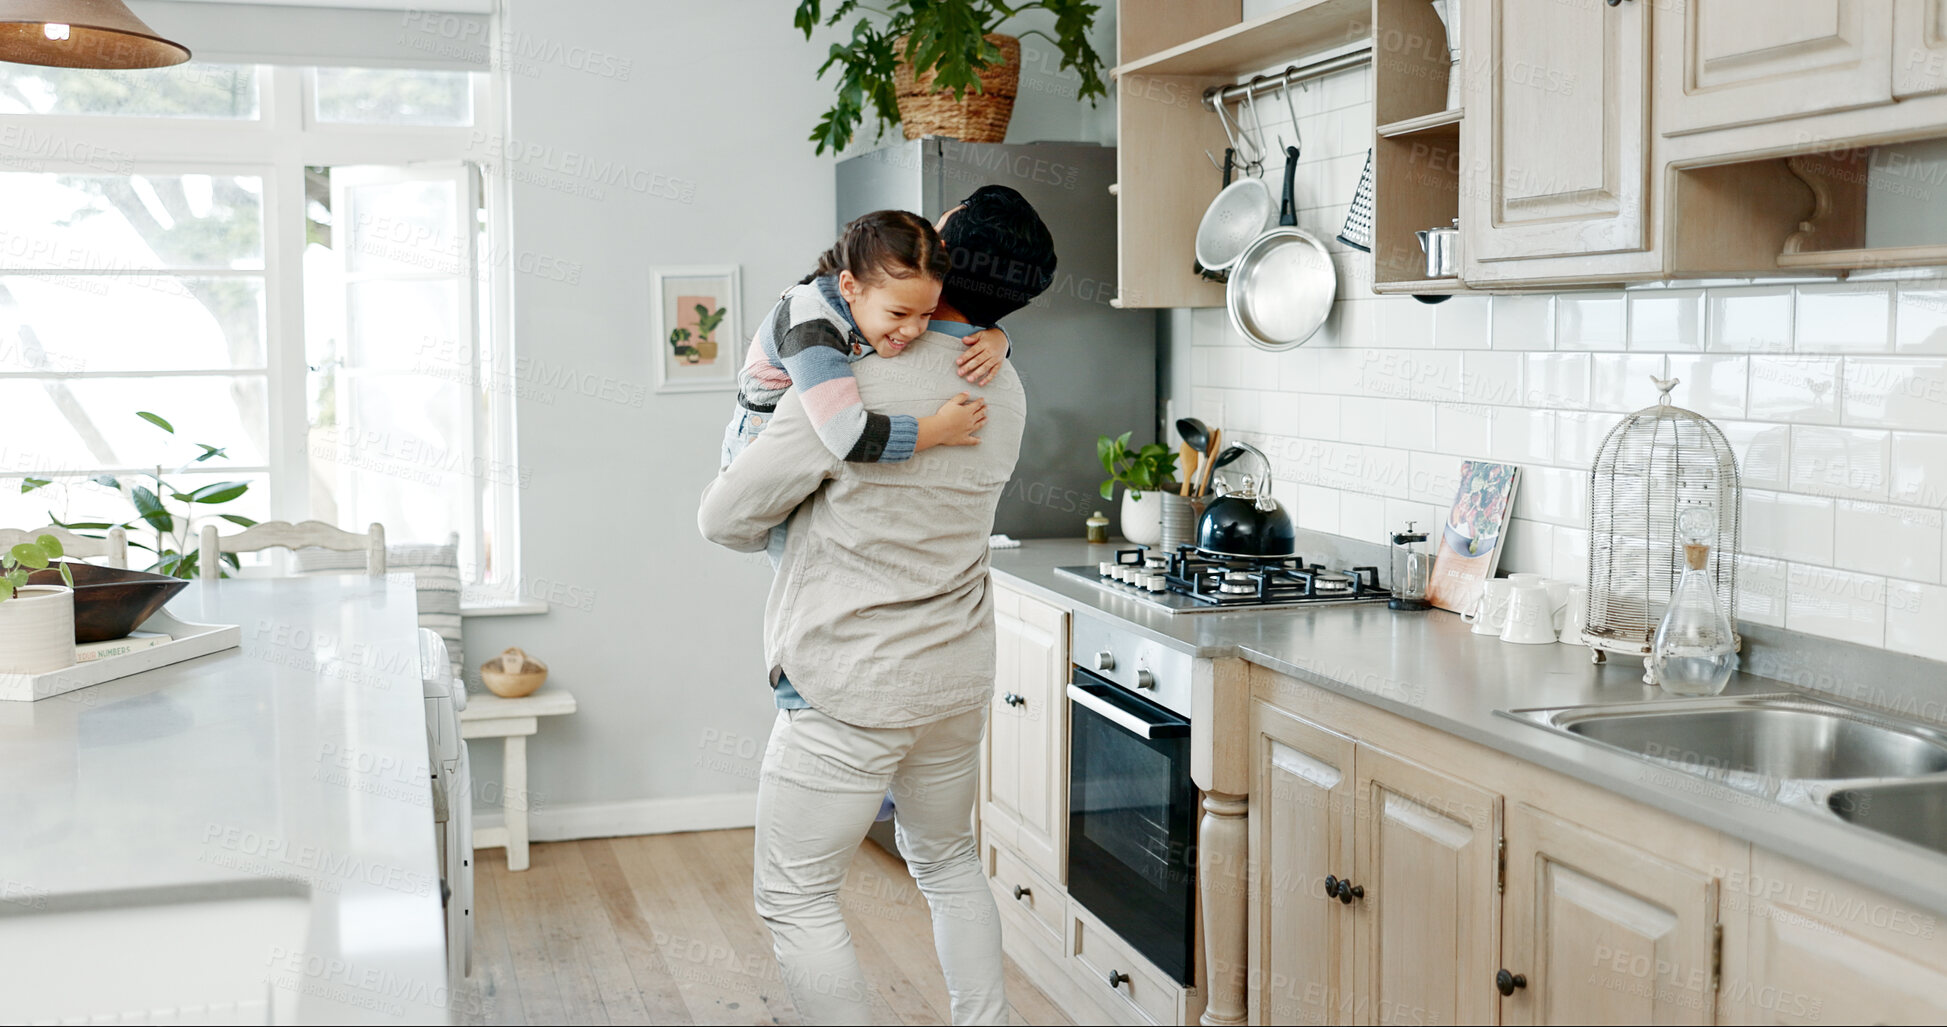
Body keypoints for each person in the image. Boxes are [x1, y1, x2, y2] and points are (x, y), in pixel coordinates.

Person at [697, 185, 1057, 1026]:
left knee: (797, 895)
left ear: (939, 261)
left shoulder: (850, 374)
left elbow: (723, 519)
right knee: (949, 861)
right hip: (954, 673)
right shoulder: (1004, 382)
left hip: (850, 681)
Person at [720, 208, 1011, 475]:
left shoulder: (881, 298)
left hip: (813, 430)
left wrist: (998, 337)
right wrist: (941, 428)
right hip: (761, 443)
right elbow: (849, 438)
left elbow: (949, 319)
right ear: (849, 287)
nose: (913, 330)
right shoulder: (809, 329)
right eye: (899, 313)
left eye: (927, 313)